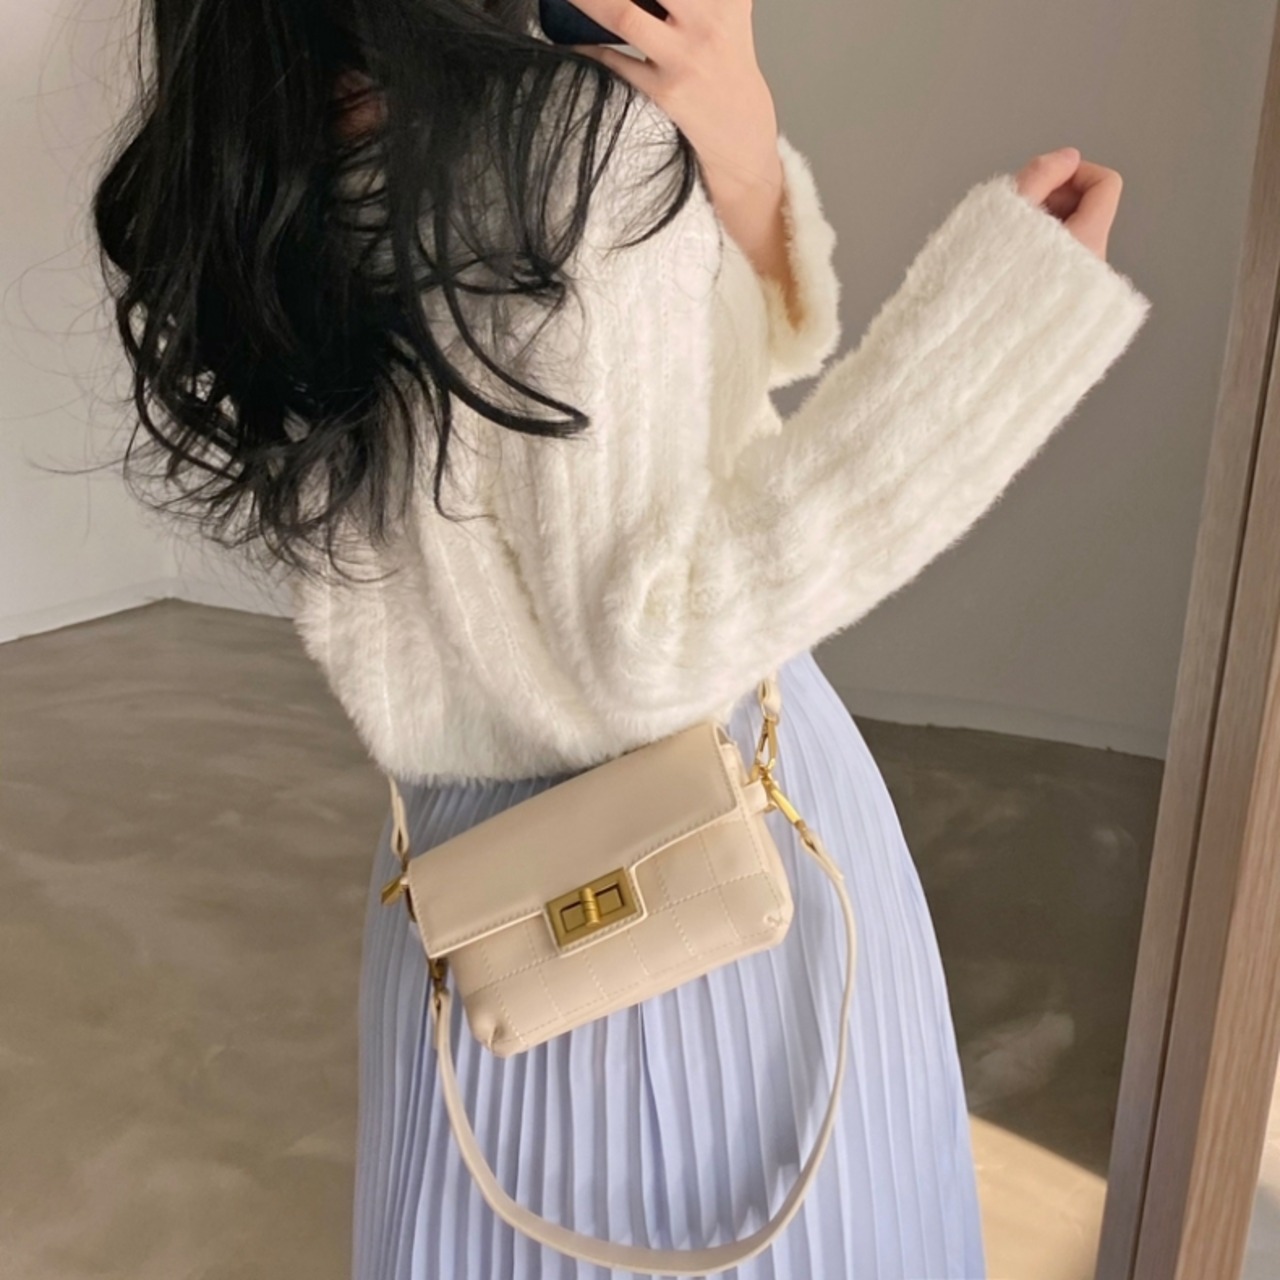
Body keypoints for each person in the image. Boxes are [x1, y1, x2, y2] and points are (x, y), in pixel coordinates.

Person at [92, 0, 1151, 1275]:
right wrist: (999, 331)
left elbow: (679, 390)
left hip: (466, 889)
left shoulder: (249, 138)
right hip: (703, 867)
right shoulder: (564, 133)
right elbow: (645, 646)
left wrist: (738, 160)